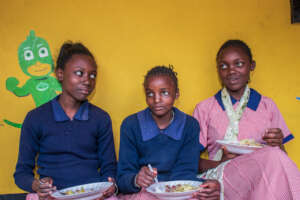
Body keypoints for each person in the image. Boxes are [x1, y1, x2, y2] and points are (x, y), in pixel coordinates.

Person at [193, 39, 300, 199]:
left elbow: (280, 160)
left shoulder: (267, 106)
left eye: (239, 64)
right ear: (218, 70)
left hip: (258, 183)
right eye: (224, 66)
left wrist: (278, 144)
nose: (231, 71)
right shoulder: (205, 108)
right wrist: (218, 164)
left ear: (252, 66)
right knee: (272, 155)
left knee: (273, 155)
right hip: (221, 180)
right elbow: (189, 160)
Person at [14, 42, 118, 200]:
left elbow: (109, 168)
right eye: (79, 73)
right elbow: (21, 173)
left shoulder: (100, 118)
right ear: (60, 74)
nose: (87, 81)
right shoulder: (36, 118)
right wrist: (38, 186)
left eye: (92, 75)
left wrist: (110, 186)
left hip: (93, 196)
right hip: (52, 195)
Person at [117, 66, 220, 200]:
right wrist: (136, 179)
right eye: (150, 94)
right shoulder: (130, 125)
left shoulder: (190, 125)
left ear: (176, 94)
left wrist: (208, 186)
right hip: (143, 192)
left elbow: (186, 173)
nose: (156, 100)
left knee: (211, 193)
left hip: (177, 190)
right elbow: (122, 178)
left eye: (164, 93)